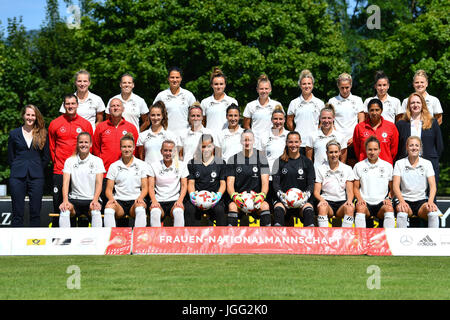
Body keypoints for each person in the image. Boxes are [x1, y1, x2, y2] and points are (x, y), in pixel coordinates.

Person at [48, 94, 93, 219]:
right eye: (67, 104)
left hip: (80, 171)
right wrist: (57, 164)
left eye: (73, 103)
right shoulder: (55, 123)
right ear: (64, 105)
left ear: (77, 105)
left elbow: (90, 147)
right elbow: (52, 147)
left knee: (79, 207)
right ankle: (61, 236)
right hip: (60, 170)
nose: (70, 106)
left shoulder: (85, 124)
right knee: (60, 207)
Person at [8, 104, 49, 227]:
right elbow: (10, 156)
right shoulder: (14, 133)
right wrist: (17, 167)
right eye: (28, 114)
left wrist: (37, 168)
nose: (30, 117)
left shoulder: (42, 133)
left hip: (36, 177)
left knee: (35, 212)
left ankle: (34, 243)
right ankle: (15, 243)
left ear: (36, 117)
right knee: (17, 212)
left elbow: (46, 157)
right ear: (23, 116)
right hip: (17, 176)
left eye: (33, 115)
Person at [58, 132, 105, 228]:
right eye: (81, 142)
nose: (83, 145)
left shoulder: (97, 161)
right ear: (77, 144)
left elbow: (99, 183)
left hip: (92, 199)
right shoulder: (69, 161)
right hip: (74, 199)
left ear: (91, 144)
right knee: (64, 211)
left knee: (96, 212)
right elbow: (65, 183)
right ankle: (64, 240)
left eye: (86, 142)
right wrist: (65, 200)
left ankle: (98, 240)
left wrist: (95, 200)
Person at [396, 92, 443, 186]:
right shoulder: (401, 124)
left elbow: (439, 145)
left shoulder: (432, 122)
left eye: (418, 102)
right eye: (412, 103)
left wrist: (432, 159)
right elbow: (398, 146)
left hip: (428, 163)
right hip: (407, 165)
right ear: (408, 105)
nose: (415, 105)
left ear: (423, 105)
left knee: (430, 196)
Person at [226, 129, 271, 227]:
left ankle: (266, 238)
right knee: (232, 207)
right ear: (241, 141)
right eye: (245, 140)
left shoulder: (261, 158)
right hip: (239, 199)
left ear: (254, 141)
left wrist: (261, 196)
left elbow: (265, 182)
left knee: (265, 206)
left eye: (249, 140)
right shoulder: (233, 159)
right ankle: (230, 239)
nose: (247, 142)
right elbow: (229, 184)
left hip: (256, 198)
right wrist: (235, 197)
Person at [392, 136, 439, 228]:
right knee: (402, 214)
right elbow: (395, 186)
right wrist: (401, 201)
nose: (414, 148)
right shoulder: (399, 163)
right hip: (404, 200)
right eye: (411, 145)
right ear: (406, 147)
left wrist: (430, 201)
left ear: (420, 147)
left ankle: (434, 240)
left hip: (421, 201)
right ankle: (400, 241)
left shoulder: (427, 163)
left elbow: (433, 186)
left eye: (417, 145)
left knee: (433, 214)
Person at [104, 134, 149, 228]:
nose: (127, 149)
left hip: (135, 200)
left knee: (140, 209)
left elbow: (145, 188)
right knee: (108, 210)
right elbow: (108, 190)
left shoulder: (141, 165)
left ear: (133, 148)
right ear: (120, 148)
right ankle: (112, 239)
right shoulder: (114, 166)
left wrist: (141, 198)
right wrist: (111, 199)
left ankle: (139, 239)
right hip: (119, 202)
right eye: (124, 147)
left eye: (129, 146)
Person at [272, 132, 316, 227]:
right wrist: (282, 196)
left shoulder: (307, 162)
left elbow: (311, 183)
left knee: (308, 211)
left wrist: (305, 196)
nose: (293, 145)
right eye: (290, 142)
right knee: (278, 210)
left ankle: (308, 240)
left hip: (302, 200)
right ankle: (278, 239)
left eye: (296, 142)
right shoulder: (278, 161)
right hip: (284, 201)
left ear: (300, 143)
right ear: (286, 143)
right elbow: (275, 183)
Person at [353, 136, 395, 228]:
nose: (372, 152)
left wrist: (389, 198)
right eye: (370, 149)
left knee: (389, 208)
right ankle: (360, 239)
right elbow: (355, 187)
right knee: (360, 208)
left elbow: (393, 188)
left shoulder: (387, 166)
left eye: (375, 149)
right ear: (365, 150)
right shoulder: (358, 166)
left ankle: (389, 238)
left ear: (380, 150)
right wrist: (360, 199)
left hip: (381, 203)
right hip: (365, 202)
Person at [186, 134, 227, 226]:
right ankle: (191, 236)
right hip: (198, 198)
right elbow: (191, 183)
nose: (206, 149)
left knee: (220, 210)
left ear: (213, 146)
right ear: (200, 147)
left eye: (209, 146)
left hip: (214, 198)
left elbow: (223, 184)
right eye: (203, 146)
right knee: (189, 208)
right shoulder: (192, 162)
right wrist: (193, 195)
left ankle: (221, 236)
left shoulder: (220, 162)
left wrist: (218, 196)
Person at [314, 140, 355, 228]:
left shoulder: (347, 169)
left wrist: (350, 201)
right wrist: (321, 200)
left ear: (340, 152)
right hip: (327, 201)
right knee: (322, 207)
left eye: (336, 152)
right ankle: (324, 238)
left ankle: (345, 238)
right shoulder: (320, 168)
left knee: (350, 208)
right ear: (327, 153)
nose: (334, 155)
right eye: (331, 152)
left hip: (341, 202)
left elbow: (350, 191)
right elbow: (316, 192)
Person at [148, 140, 189, 227]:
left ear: (174, 152)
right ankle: (156, 239)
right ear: (161, 151)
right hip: (159, 200)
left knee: (178, 212)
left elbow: (184, 185)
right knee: (155, 212)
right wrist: (154, 201)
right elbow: (151, 186)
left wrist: (180, 200)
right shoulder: (153, 165)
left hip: (174, 200)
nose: (168, 153)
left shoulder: (182, 165)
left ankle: (179, 239)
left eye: (170, 150)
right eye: (165, 150)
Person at [327, 73, 365, 166]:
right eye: (342, 88)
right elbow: (329, 121)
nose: (344, 90)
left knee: (353, 168)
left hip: (353, 141)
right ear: (338, 86)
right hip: (336, 140)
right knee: (337, 166)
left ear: (351, 85)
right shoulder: (332, 101)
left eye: (347, 87)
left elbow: (361, 121)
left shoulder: (358, 100)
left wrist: (354, 137)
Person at [286, 69, 325, 154]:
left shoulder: (320, 103)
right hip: (298, 144)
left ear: (312, 85)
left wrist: (316, 132)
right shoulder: (294, 103)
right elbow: (289, 122)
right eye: (304, 84)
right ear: (300, 85)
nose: (306, 86)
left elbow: (323, 122)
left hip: (315, 143)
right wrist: (296, 134)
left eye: (309, 83)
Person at [153, 67, 196, 138]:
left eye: (177, 77)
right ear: (168, 79)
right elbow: (153, 115)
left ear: (181, 78)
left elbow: (196, 115)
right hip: (166, 135)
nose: (175, 80)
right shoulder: (161, 95)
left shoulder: (188, 95)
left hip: (185, 135)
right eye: (172, 77)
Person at [353, 98, 399, 165]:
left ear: (381, 111)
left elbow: (394, 151)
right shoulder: (359, 127)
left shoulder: (391, 127)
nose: (374, 113)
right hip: (365, 166)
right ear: (368, 111)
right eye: (371, 110)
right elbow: (357, 149)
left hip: (385, 166)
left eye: (377, 110)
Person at [242, 74, 281, 149]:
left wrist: (275, 138)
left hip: (272, 143)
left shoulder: (277, 105)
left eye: (266, 88)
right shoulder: (250, 106)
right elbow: (246, 126)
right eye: (261, 89)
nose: (264, 91)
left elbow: (279, 124)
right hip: (255, 145)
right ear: (257, 89)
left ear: (270, 89)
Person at [136, 101, 179, 165]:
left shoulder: (170, 135)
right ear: (149, 116)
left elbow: (175, 158)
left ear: (162, 116)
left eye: (158, 115)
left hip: (165, 172)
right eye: (153, 115)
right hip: (148, 172)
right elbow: (141, 158)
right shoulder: (142, 136)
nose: (156, 118)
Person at [201, 67, 238, 131]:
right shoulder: (205, 102)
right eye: (216, 84)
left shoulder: (232, 101)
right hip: (210, 139)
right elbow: (202, 123)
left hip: (227, 138)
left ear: (225, 85)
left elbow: (235, 123)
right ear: (211, 85)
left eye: (221, 84)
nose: (219, 87)